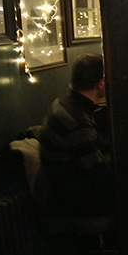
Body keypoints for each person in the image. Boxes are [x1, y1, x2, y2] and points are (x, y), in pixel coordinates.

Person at [38, 53, 113, 218]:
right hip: (77, 202)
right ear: (101, 83)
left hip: (66, 191)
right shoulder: (77, 123)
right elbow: (101, 175)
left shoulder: (64, 103)